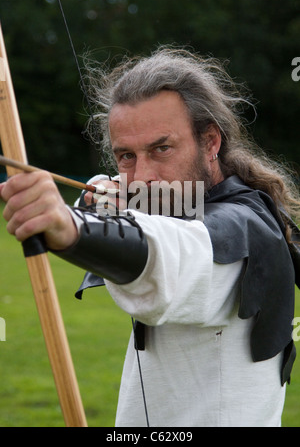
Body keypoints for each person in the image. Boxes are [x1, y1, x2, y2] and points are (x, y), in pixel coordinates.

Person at [0, 48, 299, 427]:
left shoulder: (243, 228)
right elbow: (115, 203)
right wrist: (97, 203)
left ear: (210, 142)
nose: (142, 177)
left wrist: (71, 227)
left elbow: (174, 252)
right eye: (126, 156)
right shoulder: (174, 202)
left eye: (161, 148)